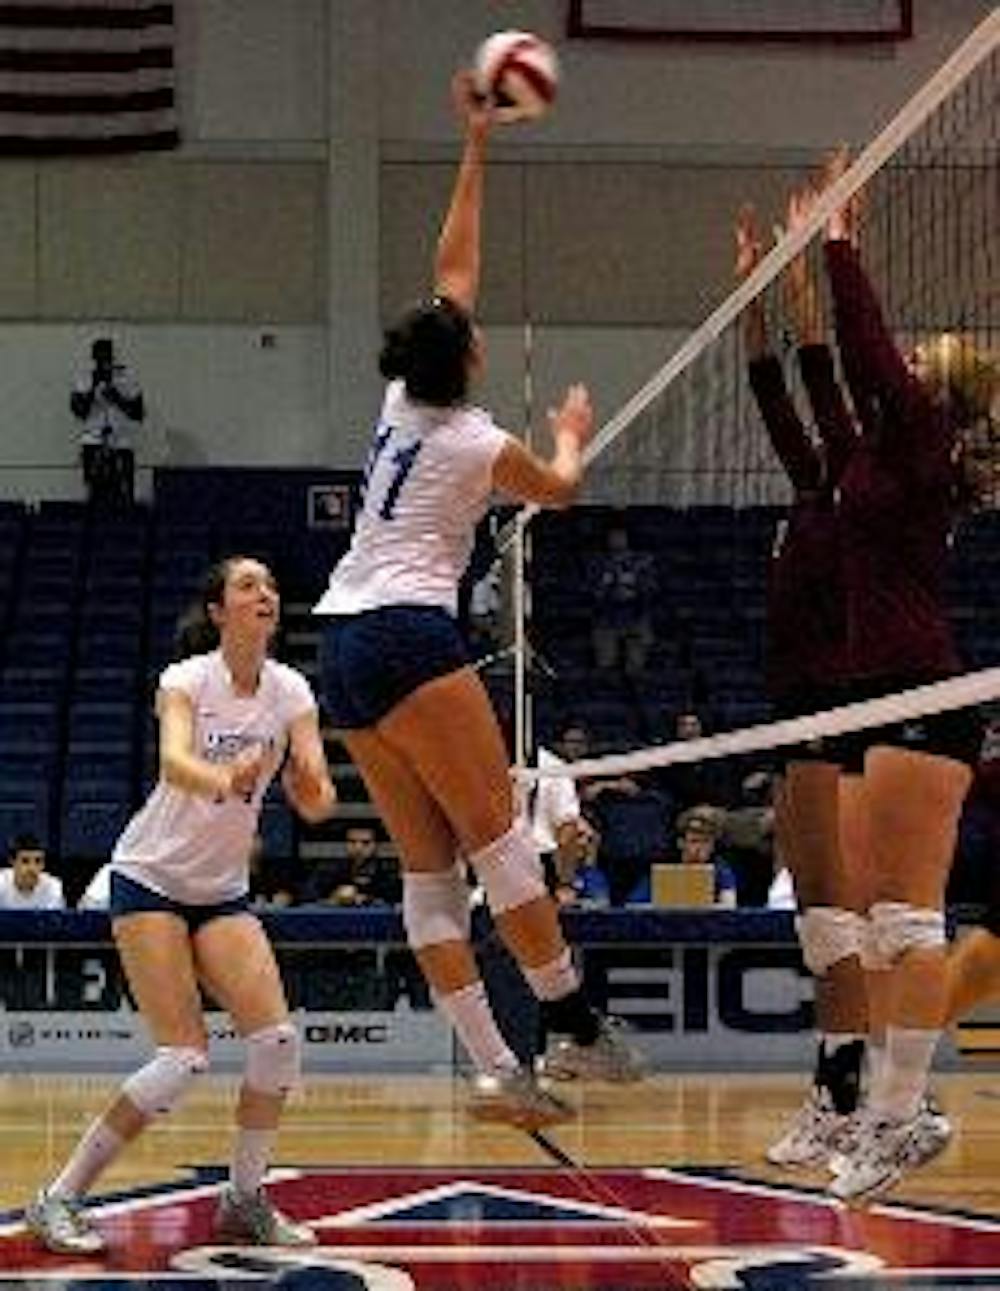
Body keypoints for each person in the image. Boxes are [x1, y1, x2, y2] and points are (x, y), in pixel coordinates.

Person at [312, 71, 643, 1132]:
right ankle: (577, 1022)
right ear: (465, 359)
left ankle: (500, 1068)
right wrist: (572, 430)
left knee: (428, 867)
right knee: (498, 836)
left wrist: (476, 144)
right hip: (408, 631)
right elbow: (558, 489)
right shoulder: (469, 439)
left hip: (343, 647)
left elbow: (450, 264)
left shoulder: (403, 402)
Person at [27, 556, 336, 1255]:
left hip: (221, 890)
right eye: (248, 585)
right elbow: (174, 762)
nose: (266, 594)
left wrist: (310, 787)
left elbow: (315, 793)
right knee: (182, 1057)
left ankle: (244, 1199)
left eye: (271, 587)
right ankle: (59, 1198)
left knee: (277, 1043)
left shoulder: (291, 690)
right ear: (219, 610)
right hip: (151, 877)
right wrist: (230, 777)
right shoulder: (188, 678)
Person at [803, 150, 998, 1202]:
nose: (911, 362)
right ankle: (888, 1109)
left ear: (940, 389)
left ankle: (898, 1113)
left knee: (911, 920)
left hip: (926, 686)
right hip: (872, 692)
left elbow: (870, 355)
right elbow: (840, 383)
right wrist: (795, 287)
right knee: (881, 921)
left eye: (928, 358)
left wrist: (842, 243)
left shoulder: (922, 435)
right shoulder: (881, 452)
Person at [736, 199, 869, 1169]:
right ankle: (842, 1095)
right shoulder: (814, 489)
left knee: (839, 920)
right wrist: (753, 288)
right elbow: (770, 386)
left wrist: (811, 261)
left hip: (840, 704)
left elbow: (818, 372)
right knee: (818, 922)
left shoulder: (867, 491)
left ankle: (853, 1101)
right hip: (795, 706)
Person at [70, 337, 145, 509]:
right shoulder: (84, 379)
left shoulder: (127, 378)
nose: (103, 360)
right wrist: (93, 387)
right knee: (94, 493)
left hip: (122, 442)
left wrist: (117, 397)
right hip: (93, 441)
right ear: (93, 357)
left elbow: (139, 414)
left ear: (113, 357)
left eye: (107, 356)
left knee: (125, 494)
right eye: (99, 356)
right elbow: (79, 412)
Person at [305, 824, 402, 906]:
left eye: (365, 843)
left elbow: (395, 899)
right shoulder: (329, 867)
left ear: (375, 845)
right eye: (352, 842)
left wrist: (366, 899)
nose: (358, 847)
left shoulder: (386, 869)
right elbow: (309, 897)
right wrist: (334, 899)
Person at [0, 834, 64, 910]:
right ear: (12, 862)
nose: (32, 868)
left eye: (38, 861)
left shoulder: (52, 886)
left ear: (43, 865)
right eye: (25, 861)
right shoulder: (1, 883)